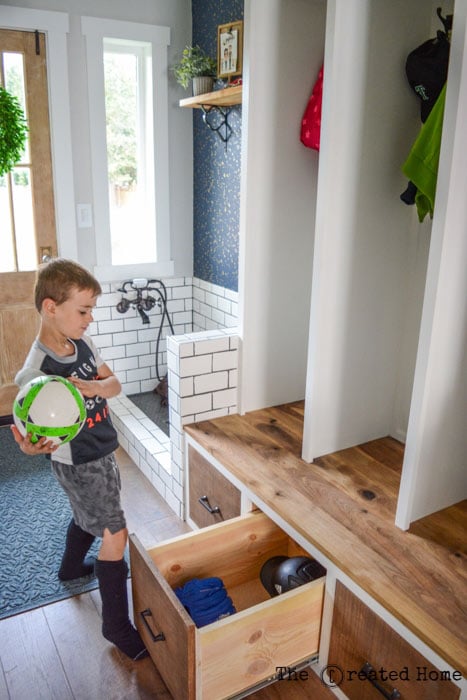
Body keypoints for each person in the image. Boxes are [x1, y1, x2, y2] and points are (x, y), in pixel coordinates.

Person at [11, 258, 147, 661]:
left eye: (91, 311)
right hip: (77, 461)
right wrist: (26, 446)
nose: (90, 319)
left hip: (103, 447)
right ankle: (116, 625)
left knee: (87, 512)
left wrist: (94, 386)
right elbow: (24, 434)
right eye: (83, 310)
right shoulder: (34, 373)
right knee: (114, 531)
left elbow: (114, 383)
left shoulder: (82, 345)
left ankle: (71, 568)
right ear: (51, 307)